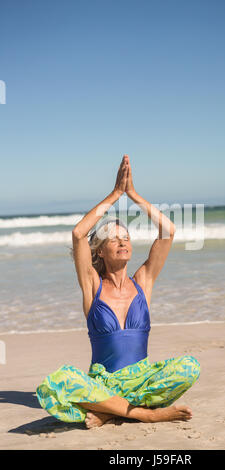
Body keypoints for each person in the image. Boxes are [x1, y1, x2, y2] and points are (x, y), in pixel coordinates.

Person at [36, 155, 201, 428]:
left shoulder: (143, 281)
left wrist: (133, 194)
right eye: (113, 238)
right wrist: (115, 194)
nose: (122, 241)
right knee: (54, 384)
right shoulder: (92, 285)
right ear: (100, 251)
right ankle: (143, 413)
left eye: (125, 237)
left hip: (143, 379)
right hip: (103, 384)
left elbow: (168, 231)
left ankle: (111, 412)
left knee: (190, 366)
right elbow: (79, 233)